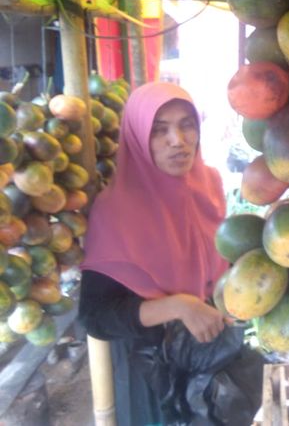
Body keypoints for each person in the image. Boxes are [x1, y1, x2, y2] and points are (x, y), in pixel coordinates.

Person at [78, 82, 231, 425]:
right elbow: (95, 316)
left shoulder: (210, 184)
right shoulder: (115, 210)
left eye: (186, 124)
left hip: (210, 358)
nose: (177, 140)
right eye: (159, 130)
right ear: (136, 138)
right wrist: (178, 306)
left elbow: (220, 258)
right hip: (152, 375)